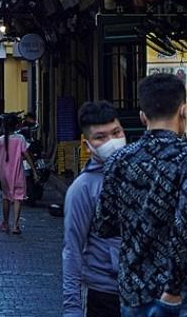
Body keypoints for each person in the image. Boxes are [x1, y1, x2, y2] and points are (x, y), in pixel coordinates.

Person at [94, 74, 187, 317]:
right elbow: (186, 225)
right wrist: (173, 289)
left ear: (142, 116)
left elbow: (104, 225)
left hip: (132, 289)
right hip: (177, 292)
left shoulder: (118, 160)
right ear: (183, 111)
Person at [62, 101, 125, 317]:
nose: (112, 142)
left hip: (144, 296)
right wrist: (72, 308)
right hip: (103, 294)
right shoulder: (83, 188)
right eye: (101, 137)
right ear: (88, 146)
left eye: (116, 133)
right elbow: (72, 250)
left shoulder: (140, 175)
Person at [0, 113, 36, 234]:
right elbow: (27, 155)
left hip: (4, 174)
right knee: (18, 198)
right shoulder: (20, 139)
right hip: (18, 173)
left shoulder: (0, 140)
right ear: (17, 125)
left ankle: (6, 223)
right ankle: (15, 225)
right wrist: (33, 170)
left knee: (6, 197)